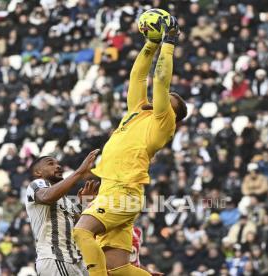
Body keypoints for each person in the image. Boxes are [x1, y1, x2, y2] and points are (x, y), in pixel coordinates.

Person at [73, 16, 187, 276]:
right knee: (118, 269)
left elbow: (159, 83)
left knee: (81, 231)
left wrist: (168, 45)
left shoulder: (162, 123)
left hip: (124, 192)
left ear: (171, 114)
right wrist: (150, 44)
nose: (158, 100)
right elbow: (138, 78)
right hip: (111, 189)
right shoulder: (137, 111)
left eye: (166, 101)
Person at [25, 149, 99, 276]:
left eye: (58, 163)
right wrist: (79, 172)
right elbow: (46, 197)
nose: (57, 166)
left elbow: (78, 225)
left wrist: (84, 204)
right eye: (50, 163)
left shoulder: (64, 200)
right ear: (38, 172)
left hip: (73, 259)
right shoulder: (36, 185)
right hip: (55, 257)